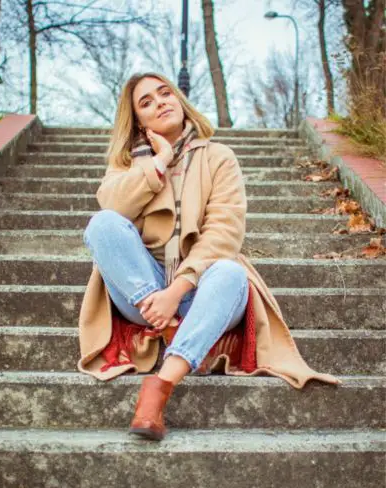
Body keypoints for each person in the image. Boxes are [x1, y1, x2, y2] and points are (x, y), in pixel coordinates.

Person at [78, 71, 339, 441]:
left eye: (165, 93)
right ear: (138, 120)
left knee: (232, 273)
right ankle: (174, 331)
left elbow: (224, 232)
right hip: (143, 293)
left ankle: (159, 387)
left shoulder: (219, 157)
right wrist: (158, 163)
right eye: (146, 102)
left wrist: (177, 290)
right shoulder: (128, 163)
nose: (160, 103)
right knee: (102, 224)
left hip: (201, 290)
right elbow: (112, 207)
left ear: (180, 100)